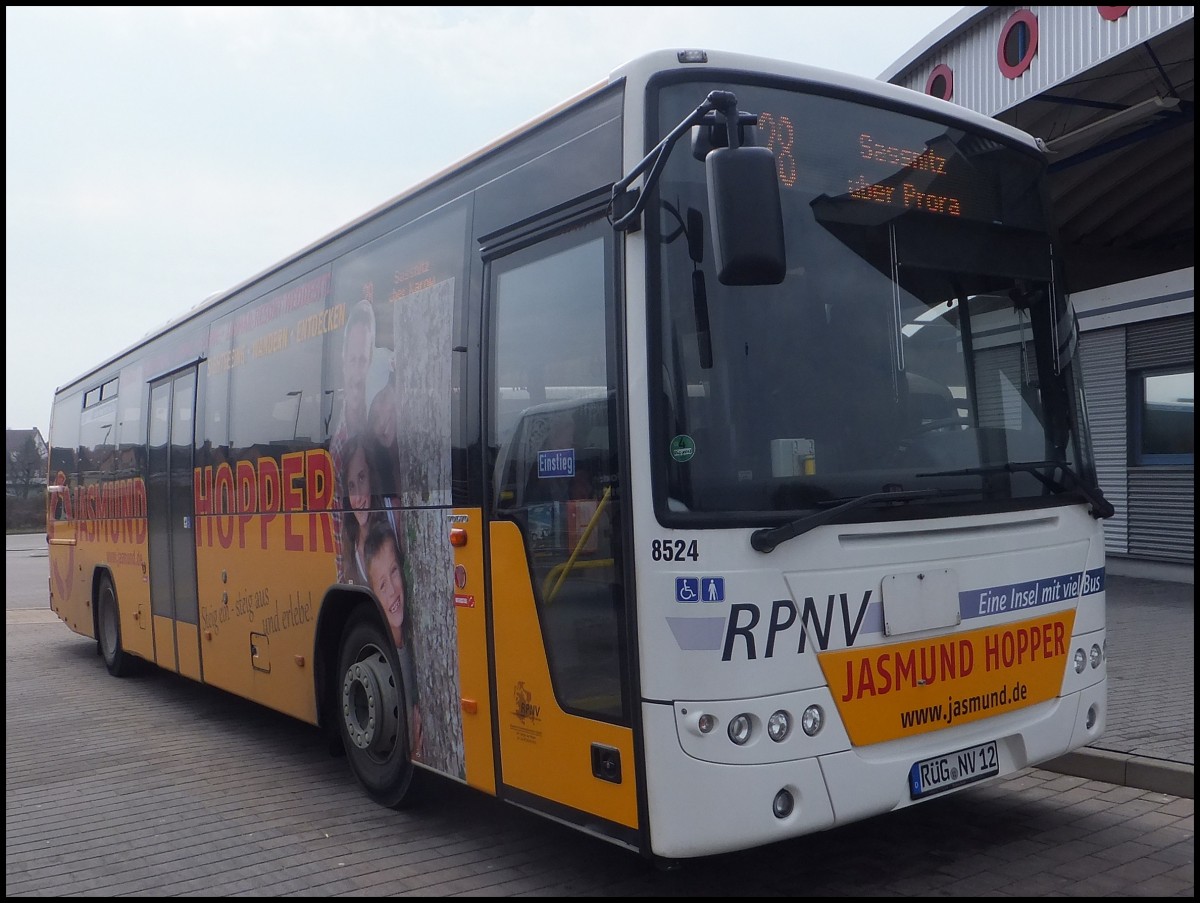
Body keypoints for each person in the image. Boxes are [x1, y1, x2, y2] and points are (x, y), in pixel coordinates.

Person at [363, 514, 424, 758]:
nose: (392, 593)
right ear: (373, 595)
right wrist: (417, 753)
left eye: (394, 572)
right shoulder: (387, 660)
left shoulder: (414, 641)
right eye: (382, 586)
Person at [331, 299, 377, 583]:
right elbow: (340, 537)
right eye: (353, 361)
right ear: (343, 361)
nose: (358, 372)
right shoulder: (337, 447)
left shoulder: (381, 423)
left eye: (363, 361)